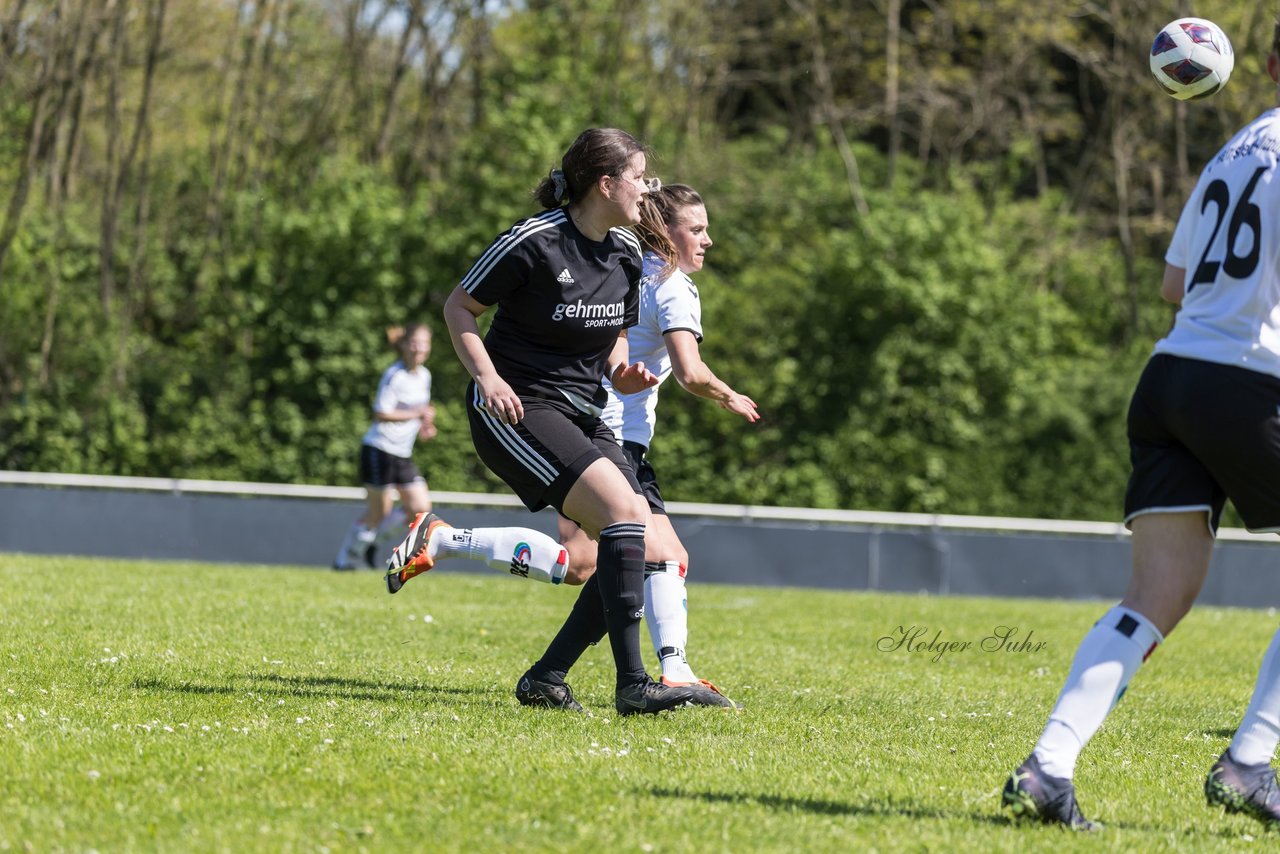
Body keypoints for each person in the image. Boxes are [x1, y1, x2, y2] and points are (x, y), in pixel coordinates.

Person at [1003, 22, 1280, 831]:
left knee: (1153, 598)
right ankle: (1250, 763)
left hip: (1172, 379)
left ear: (1268, 65)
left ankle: (1047, 767)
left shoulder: (1239, 146)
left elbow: (1173, 282)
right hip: (1250, 387)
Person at [388, 127, 725, 715]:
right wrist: (487, 377)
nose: (649, 188)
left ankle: (547, 676)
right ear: (605, 183)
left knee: (641, 549)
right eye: (640, 177)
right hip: (516, 409)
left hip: (585, 412)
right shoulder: (533, 241)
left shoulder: (622, 252)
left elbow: (614, 336)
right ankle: (635, 686)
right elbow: (458, 307)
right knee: (624, 519)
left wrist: (621, 372)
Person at [555, 183, 759, 703]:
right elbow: (690, 373)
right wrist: (728, 394)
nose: (708, 239)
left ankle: (549, 673)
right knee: (654, 555)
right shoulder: (671, 284)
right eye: (696, 229)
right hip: (614, 437)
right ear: (665, 233)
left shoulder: (624, 269)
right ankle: (673, 672)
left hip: (594, 426)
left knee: (607, 564)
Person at [333, 324, 437, 570]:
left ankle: (372, 543)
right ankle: (344, 560)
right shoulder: (395, 375)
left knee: (420, 508)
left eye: (424, 343)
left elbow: (419, 411)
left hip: (402, 454)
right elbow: (380, 413)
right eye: (414, 342)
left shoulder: (425, 375)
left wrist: (425, 425)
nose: (419, 348)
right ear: (403, 345)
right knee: (379, 512)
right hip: (379, 449)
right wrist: (416, 413)